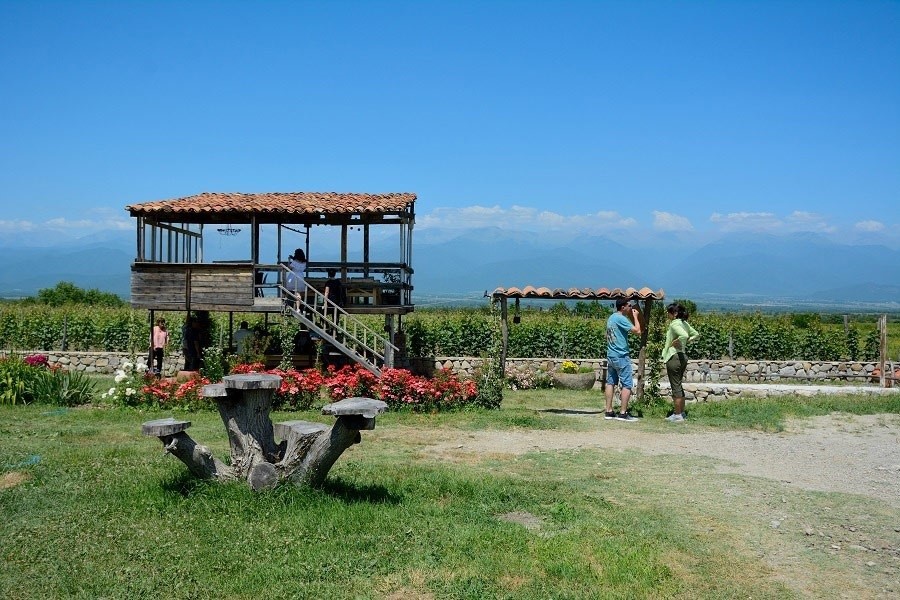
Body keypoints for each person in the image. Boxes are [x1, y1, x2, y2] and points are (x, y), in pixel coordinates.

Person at [604, 298, 642, 421]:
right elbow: (638, 331)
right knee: (627, 384)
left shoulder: (611, 318)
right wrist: (635, 316)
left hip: (611, 354)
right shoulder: (621, 318)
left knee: (610, 382)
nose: (631, 308)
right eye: (629, 305)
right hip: (621, 355)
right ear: (623, 307)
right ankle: (623, 413)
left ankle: (608, 411)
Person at [662, 302, 700, 422]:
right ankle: (681, 412)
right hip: (682, 356)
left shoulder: (674, 324)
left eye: (669, 312)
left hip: (674, 356)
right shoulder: (684, 323)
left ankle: (677, 414)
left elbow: (683, 335)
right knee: (678, 384)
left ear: (675, 313)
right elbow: (696, 334)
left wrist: (677, 341)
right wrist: (687, 341)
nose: (667, 314)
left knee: (675, 386)